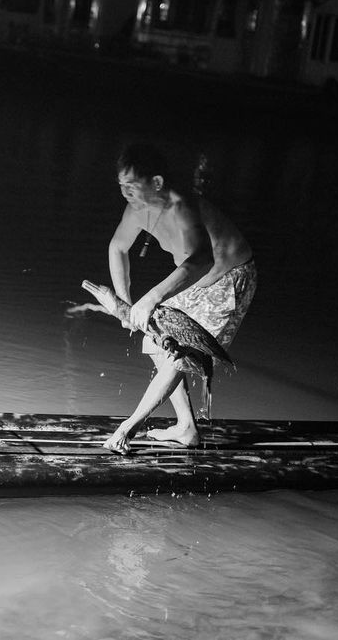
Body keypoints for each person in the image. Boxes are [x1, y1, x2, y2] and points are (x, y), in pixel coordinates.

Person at [98, 141, 256, 452]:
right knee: (154, 341)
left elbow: (202, 259)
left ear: (156, 182)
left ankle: (128, 428)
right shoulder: (136, 209)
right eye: (121, 185)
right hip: (197, 281)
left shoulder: (181, 207)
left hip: (229, 278)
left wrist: (151, 298)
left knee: (178, 353)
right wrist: (124, 304)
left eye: (131, 185)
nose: (125, 192)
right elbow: (118, 247)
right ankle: (186, 428)